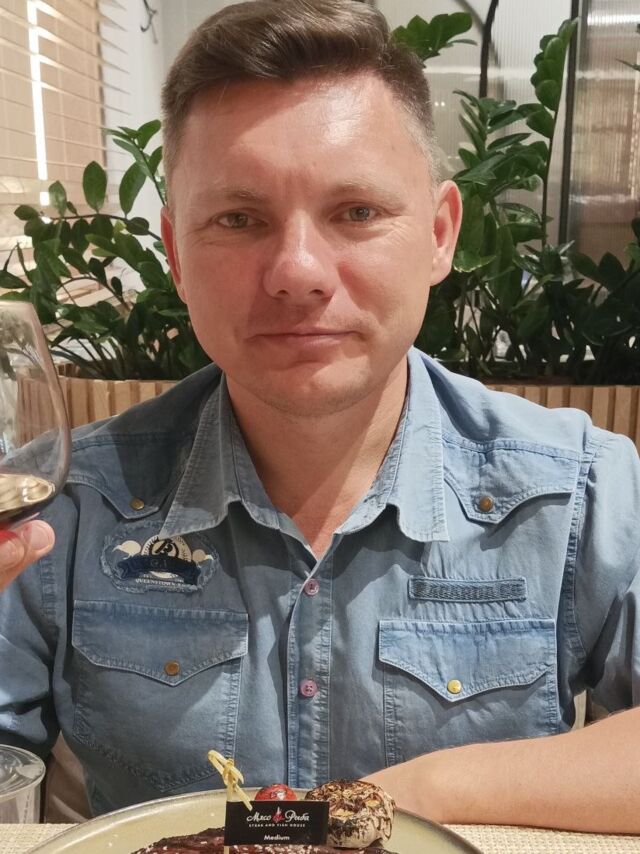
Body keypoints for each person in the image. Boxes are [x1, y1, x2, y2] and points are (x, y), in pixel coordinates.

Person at [1, 0, 639, 834]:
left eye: (357, 212)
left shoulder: (583, 490)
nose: (297, 271)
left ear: (439, 233)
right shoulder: (64, 508)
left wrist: (420, 793)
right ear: (177, 254)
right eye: (239, 219)